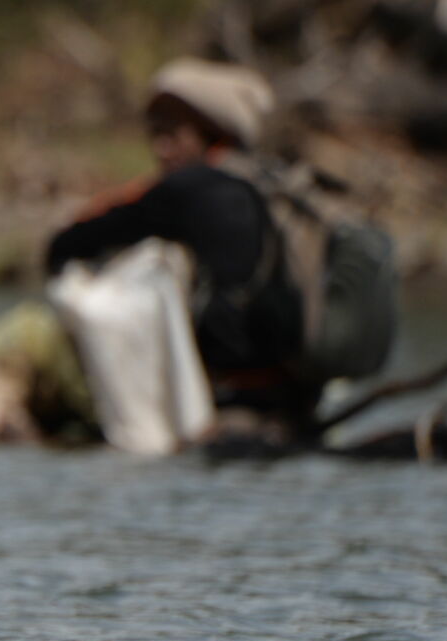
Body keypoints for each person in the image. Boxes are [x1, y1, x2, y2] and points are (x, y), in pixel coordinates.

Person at [45, 60, 307, 411]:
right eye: (156, 136)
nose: (160, 149)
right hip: (295, 385)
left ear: (210, 134)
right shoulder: (269, 181)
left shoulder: (191, 188)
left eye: (172, 135)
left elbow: (76, 240)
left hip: (232, 384)